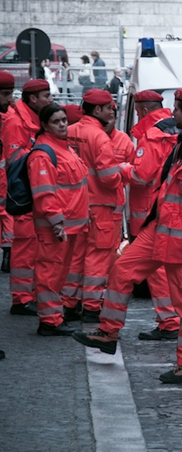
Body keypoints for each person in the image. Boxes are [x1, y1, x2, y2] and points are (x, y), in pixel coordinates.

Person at [72, 88, 182, 384]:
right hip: (161, 228)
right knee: (121, 270)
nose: (171, 114)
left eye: (176, 109)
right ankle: (107, 333)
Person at [123, 90, 181, 341]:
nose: (137, 117)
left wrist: (122, 168)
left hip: (148, 212)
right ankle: (177, 317)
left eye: (137, 113)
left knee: (154, 271)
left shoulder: (151, 135)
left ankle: (169, 321)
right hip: (173, 209)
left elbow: (141, 176)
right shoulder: (179, 130)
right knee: (173, 268)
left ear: (144, 110)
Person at [28, 103, 89, 336]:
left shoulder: (64, 148)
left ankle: (54, 317)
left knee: (58, 273)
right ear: (44, 125)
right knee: (49, 274)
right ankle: (49, 321)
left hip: (70, 225)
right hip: (56, 228)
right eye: (57, 121)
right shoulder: (44, 154)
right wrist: (56, 222)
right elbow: (44, 193)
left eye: (64, 120)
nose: (63, 124)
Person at [67, 89, 123, 323]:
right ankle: (91, 305)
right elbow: (109, 177)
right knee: (98, 256)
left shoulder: (69, 131)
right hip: (100, 205)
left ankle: (69, 302)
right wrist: (124, 174)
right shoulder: (100, 137)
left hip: (77, 203)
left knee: (75, 255)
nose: (112, 111)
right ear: (97, 110)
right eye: (109, 107)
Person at [2, 79, 53, 317]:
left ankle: (26, 296)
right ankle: (21, 300)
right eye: (47, 96)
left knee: (31, 248)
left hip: (30, 190)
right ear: (33, 99)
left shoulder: (27, 119)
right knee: (23, 248)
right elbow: (14, 159)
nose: (50, 100)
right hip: (21, 193)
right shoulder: (16, 121)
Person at [0, 71, 16, 275]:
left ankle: (8, 254)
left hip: (7, 177)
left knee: (7, 214)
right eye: (5, 94)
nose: (10, 99)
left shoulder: (12, 116)